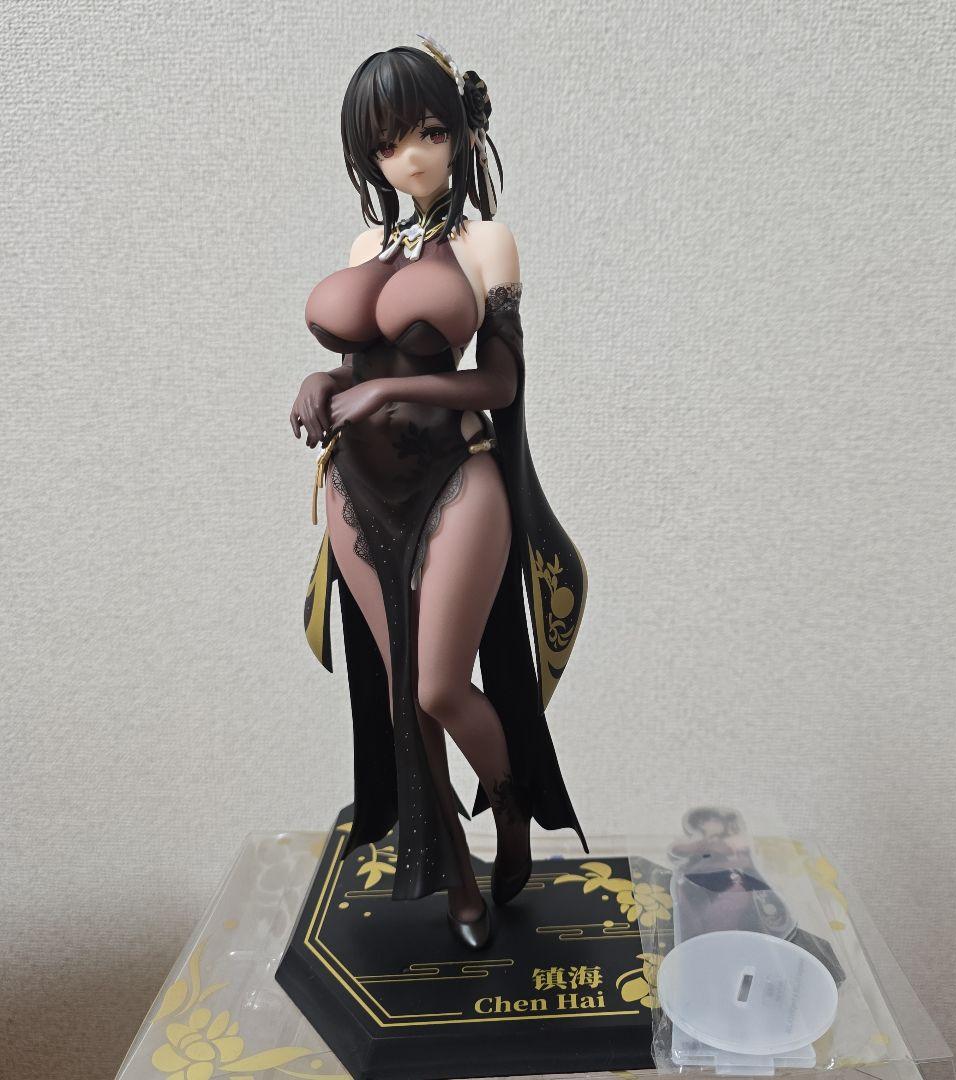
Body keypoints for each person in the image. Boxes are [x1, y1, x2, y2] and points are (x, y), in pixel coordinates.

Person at [290, 35, 589, 949]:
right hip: (357, 488)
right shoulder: (367, 243)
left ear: (459, 129)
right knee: (398, 694)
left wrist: (387, 392)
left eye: (426, 131)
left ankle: (508, 805)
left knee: (440, 687)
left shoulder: (486, 241)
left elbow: (498, 382)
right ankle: (456, 875)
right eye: (387, 144)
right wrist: (324, 383)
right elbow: (356, 365)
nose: (411, 158)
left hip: (458, 478)